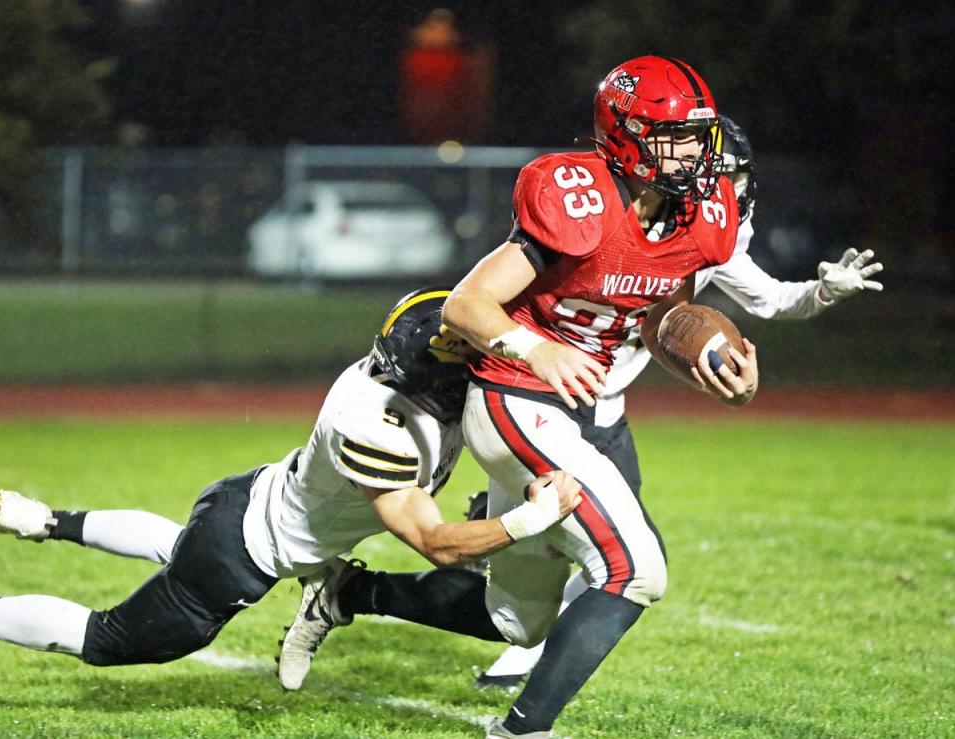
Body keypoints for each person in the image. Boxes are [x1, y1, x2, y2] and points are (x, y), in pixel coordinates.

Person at [278, 56, 758, 739]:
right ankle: (521, 732)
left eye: (697, 137)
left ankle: (350, 590)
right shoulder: (578, 198)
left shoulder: (698, 215)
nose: (694, 154)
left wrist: (712, 363)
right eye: (674, 137)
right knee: (633, 570)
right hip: (517, 400)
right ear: (626, 137)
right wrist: (534, 346)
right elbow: (466, 305)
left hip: (578, 409)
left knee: (515, 619)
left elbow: (655, 310)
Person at [471, 113, 885, 689]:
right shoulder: (613, 217)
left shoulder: (708, 236)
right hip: (536, 390)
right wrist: (533, 349)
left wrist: (820, 293)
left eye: (733, 177)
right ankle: (499, 631)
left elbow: (706, 317)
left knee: (610, 554)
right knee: (610, 557)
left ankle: (430, 602)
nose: (725, 191)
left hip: (603, 404)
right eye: (717, 175)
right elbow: (491, 297)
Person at [0, 288, 582, 678]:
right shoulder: (379, 427)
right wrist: (524, 519)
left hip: (245, 503)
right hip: (244, 553)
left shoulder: (401, 380)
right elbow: (436, 545)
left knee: (183, 547)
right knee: (109, 640)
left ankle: (44, 521)